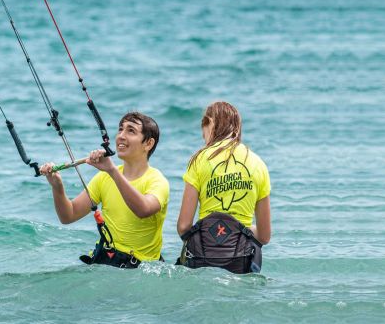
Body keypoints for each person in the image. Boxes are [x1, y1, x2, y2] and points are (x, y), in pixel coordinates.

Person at [40, 112, 169, 268]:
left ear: (148, 143)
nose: (121, 135)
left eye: (131, 131)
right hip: (105, 261)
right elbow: (68, 215)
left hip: (140, 268)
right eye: (120, 129)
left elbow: (143, 210)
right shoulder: (104, 177)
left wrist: (112, 171)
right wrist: (57, 187)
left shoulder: (157, 181)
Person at [176, 101, 271, 274]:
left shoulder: (199, 159)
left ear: (208, 124)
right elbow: (264, 236)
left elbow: (183, 227)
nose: (204, 138)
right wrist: (242, 227)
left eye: (203, 131)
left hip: (203, 257)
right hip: (241, 260)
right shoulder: (259, 164)